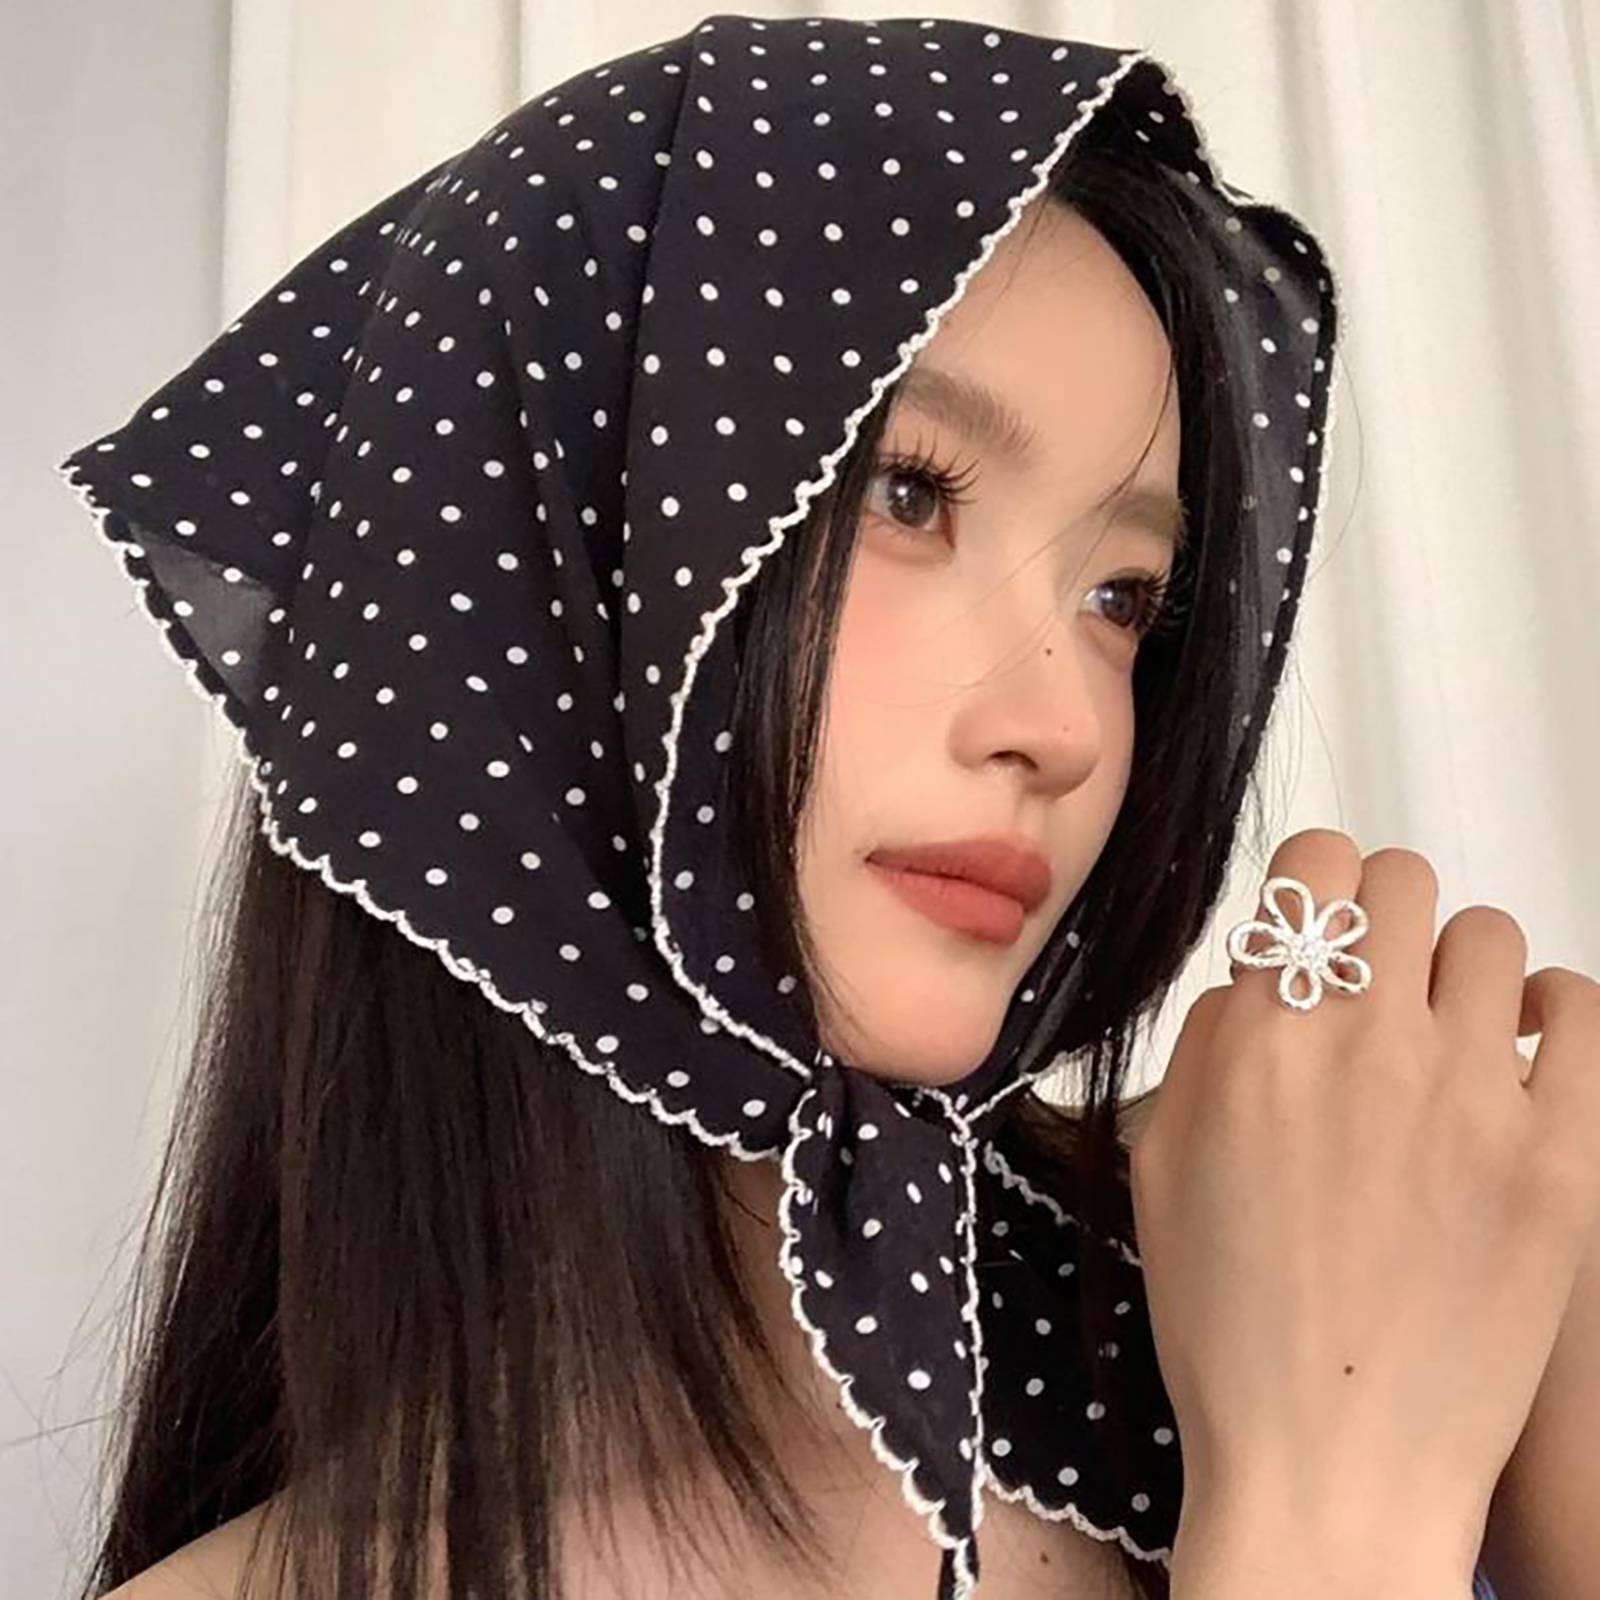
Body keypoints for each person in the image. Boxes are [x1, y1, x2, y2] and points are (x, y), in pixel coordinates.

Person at [56, 14, 1538, 1600]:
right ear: (532, 593)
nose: (1061, 727)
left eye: (1125, 596)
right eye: (909, 494)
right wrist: (1333, 1507)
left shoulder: (1375, 1257)